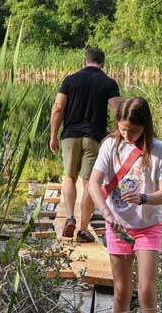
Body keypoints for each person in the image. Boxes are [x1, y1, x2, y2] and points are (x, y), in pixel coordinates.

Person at [87, 97, 162, 313]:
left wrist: (146, 198)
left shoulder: (157, 149)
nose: (127, 135)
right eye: (123, 129)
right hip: (118, 227)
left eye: (133, 131)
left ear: (144, 127)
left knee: (147, 291)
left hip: (148, 226)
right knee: (122, 291)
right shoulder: (110, 145)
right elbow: (93, 183)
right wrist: (107, 214)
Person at [49, 48, 122, 243]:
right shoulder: (108, 83)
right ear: (103, 64)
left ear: (84, 62)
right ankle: (82, 230)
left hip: (70, 136)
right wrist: (119, 135)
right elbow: (118, 112)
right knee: (90, 182)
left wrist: (53, 135)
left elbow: (58, 108)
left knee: (69, 177)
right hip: (94, 137)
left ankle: (70, 217)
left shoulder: (70, 80)